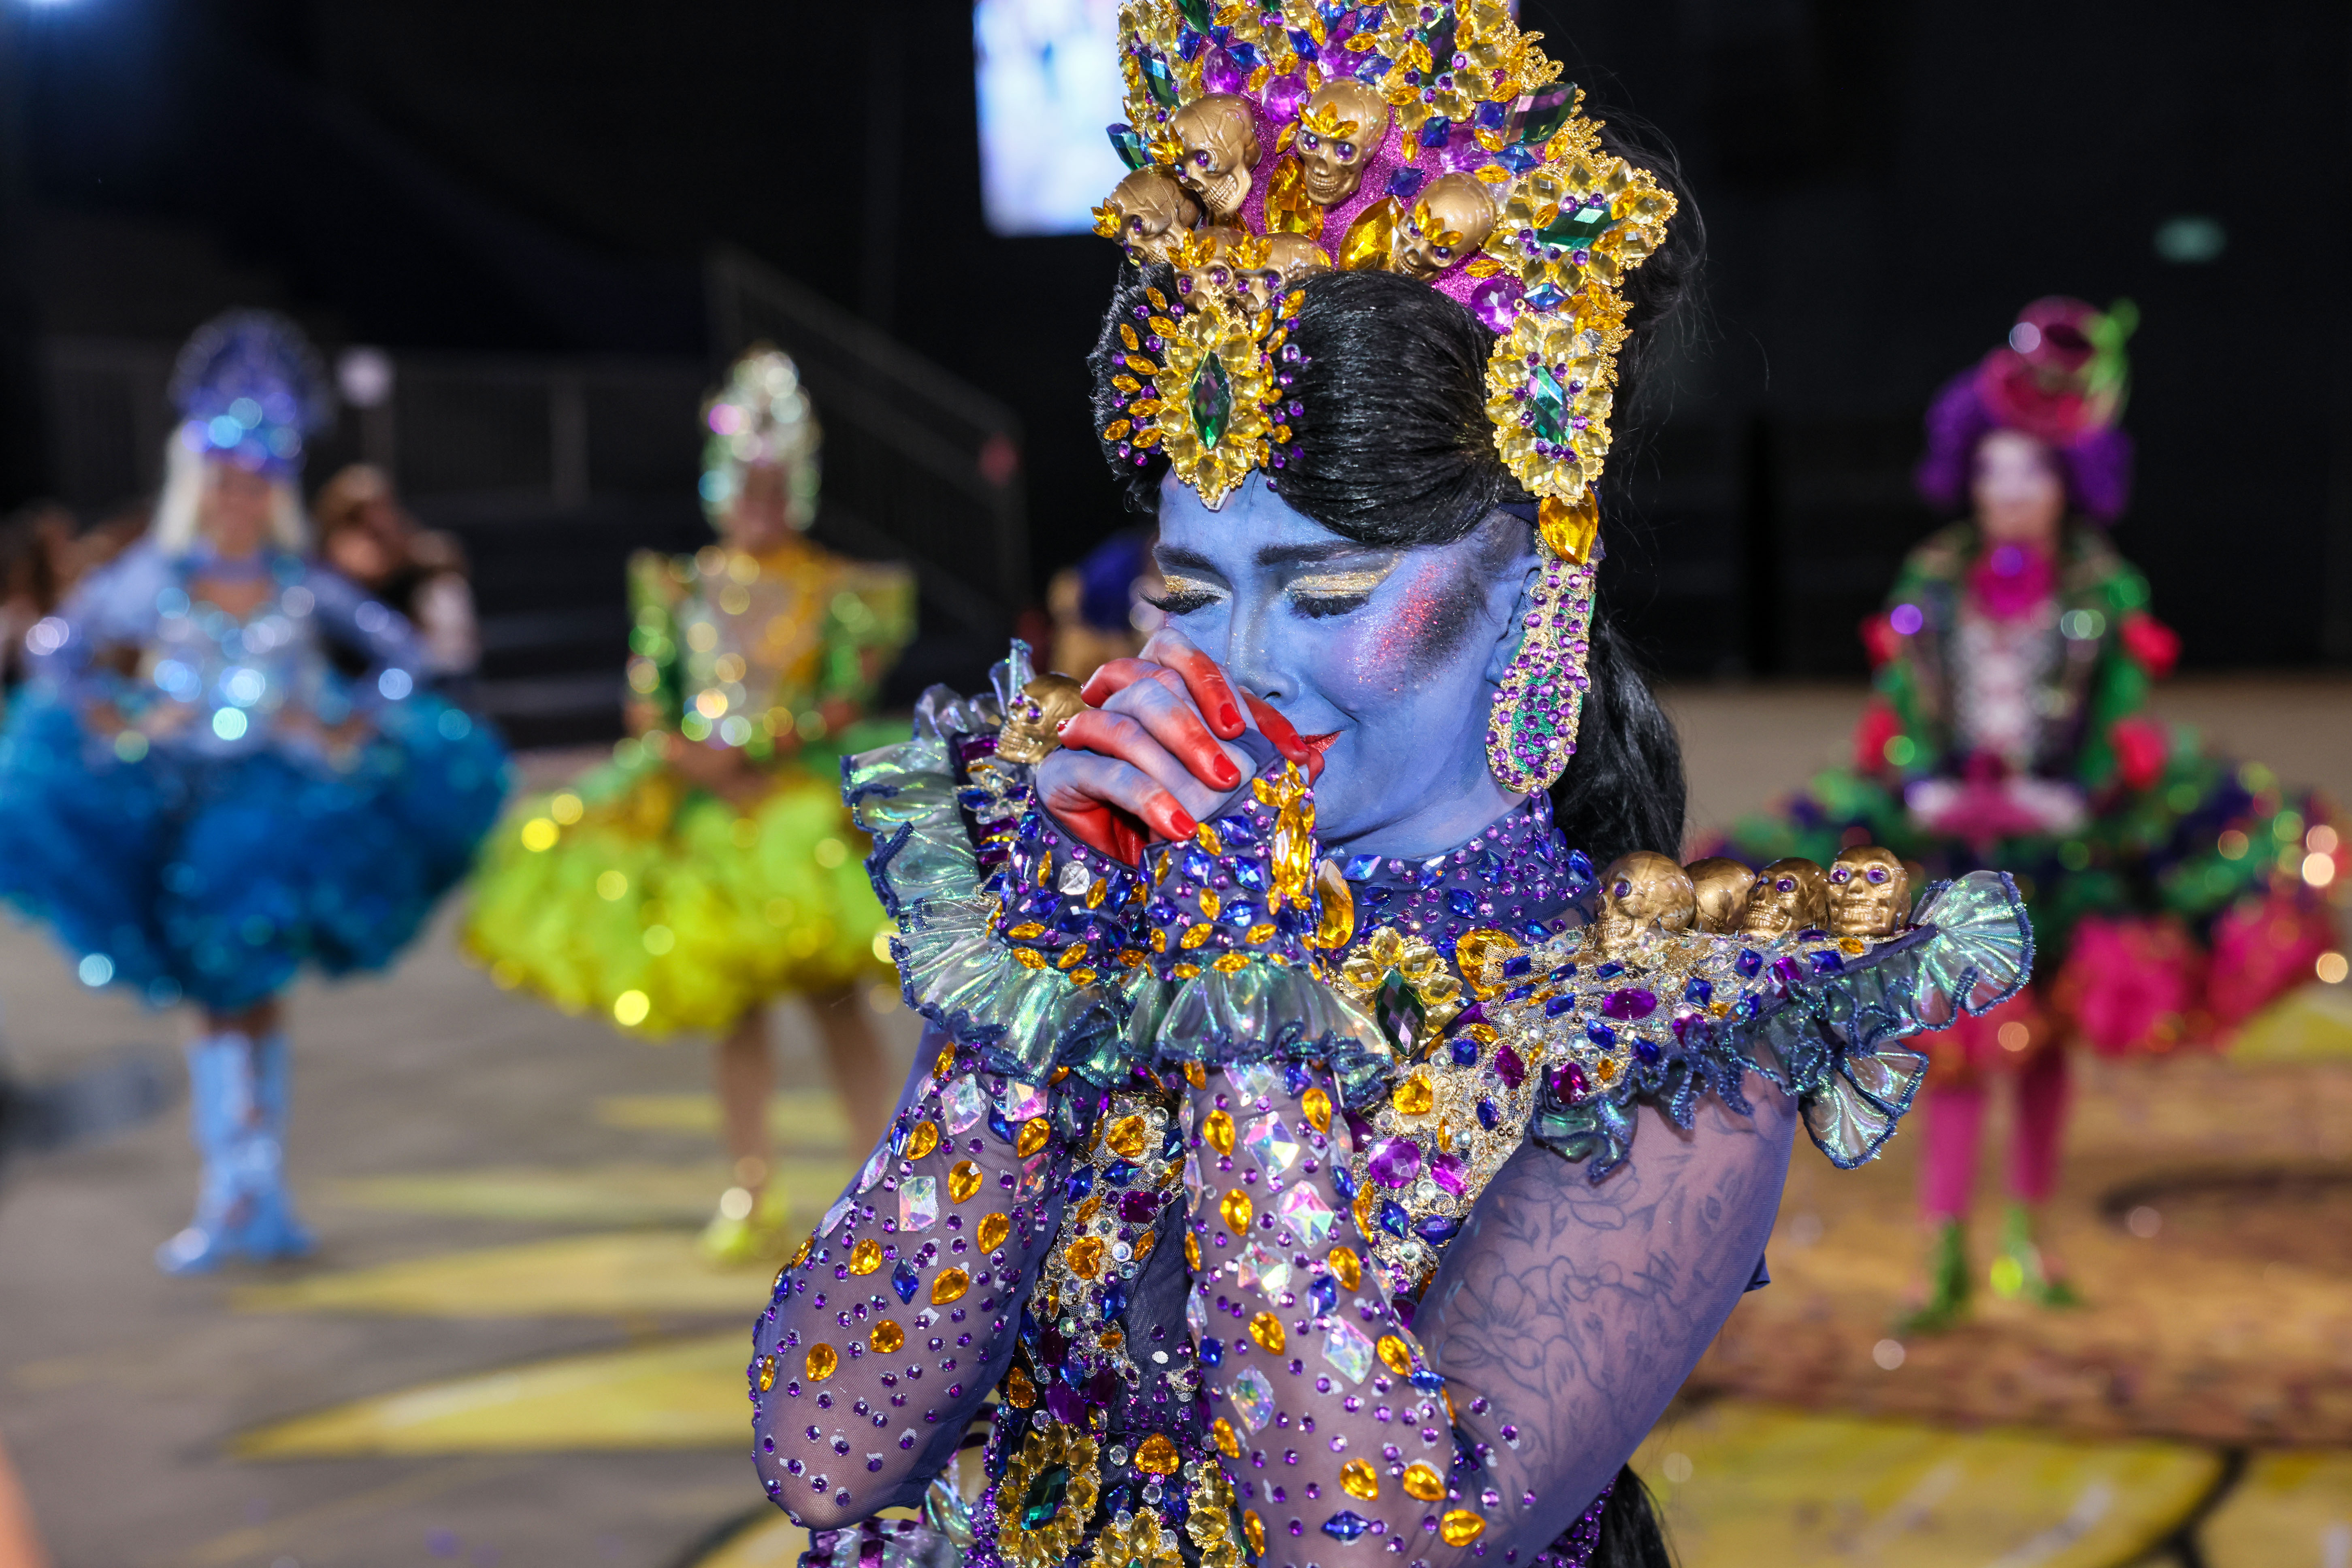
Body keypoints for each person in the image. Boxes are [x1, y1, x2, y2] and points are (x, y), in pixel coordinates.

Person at [741, 14, 2032, 1568]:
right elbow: (826, 1458)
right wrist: (1032, 993)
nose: (1243, 664)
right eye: (1189, 592)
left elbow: (1378, 1547)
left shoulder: (1662, 1033)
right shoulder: (1101, 907)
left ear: (1541, 589)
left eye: (1331, 592)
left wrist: (1240, 1002)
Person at [1726, 298, 2342, 1331]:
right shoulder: (1931, 575)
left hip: (2065, 847)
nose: (2005, 491)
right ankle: (1941, 1252)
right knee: (1960, 1044)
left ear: (2067, 483)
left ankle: (2024, 1235)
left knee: (2042, 1049)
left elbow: (2116, 722)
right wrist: (1924, 781)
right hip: (1947, 836)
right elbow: (1902, 707)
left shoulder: (2105, 587)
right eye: (1991, 469)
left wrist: (2066, 791)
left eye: (2029, 472)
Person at [0, 310, 509, 1273]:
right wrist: (127, 715)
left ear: (275, 488)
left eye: (257, 482)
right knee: (211, 993)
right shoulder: (156, 575)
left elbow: (403, 653)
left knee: (253, 990)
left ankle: (257, 1187)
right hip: (182, 810)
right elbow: (56, 650)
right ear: (201, 483)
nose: (240, 498)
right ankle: (228, 1185)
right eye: (226, 482)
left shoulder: (296, 580)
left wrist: (342, 719)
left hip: (275, 816)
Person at [466, 347, 916, 1266]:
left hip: (796, 814)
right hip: (707, 819)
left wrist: (756, 748)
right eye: (744, 483)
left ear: (794, 484)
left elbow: (841, 701)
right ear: (720, 485)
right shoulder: (676, 589)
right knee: (736, 1008)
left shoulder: (834, 589)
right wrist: (684, 754)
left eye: (771, 483)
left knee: (835, 1001)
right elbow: (648, 699)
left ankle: (882, 1176)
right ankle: (750, 1187)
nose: (758, 500)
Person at [312, 463, 481, 686]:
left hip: (414, 670)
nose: (379, 517)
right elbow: (366, 568)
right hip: (349, 672)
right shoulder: (331, 558)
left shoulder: (412, 549)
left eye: (383, 506)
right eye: (364, 512)